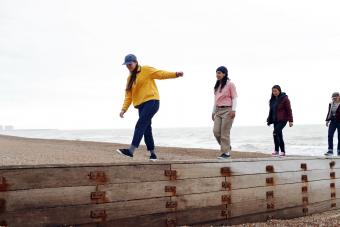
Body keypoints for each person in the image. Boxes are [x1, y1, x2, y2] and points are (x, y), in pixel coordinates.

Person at [117, 54, 183, 161]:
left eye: (130, 64)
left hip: (152, 101)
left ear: (136, 62)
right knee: (147, 129)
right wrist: (123, 109)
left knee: (140, 124)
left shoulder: (146, 70)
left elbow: (160, 74)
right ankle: (153, 154)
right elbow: (128, 96)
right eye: (127, 65)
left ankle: (131, 151)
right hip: (141, 105)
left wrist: (175, 74)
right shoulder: (129, 79)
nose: (128, 66)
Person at [212, 66, 238, 159]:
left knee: (224, 133)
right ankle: (227, 147)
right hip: (218, 111)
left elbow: (234, 98)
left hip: (228, 110)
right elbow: (215, 100)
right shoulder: (217, 86)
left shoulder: (230, 84)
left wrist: (233, 110)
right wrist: (213, 111)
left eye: (219, 73)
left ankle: (226, 153)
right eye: (216, 73)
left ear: (224, 73)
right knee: (216, 132)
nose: (217, 75)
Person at [266, 85, 293, 157]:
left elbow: (289, 110)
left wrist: (290, 121)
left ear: (279, 90)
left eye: (276, 91)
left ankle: (277, 150)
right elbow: (271, 111)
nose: (274, 92)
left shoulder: (285, 98)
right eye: (273, 91)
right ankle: (283, 151)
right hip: (275, 120)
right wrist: (269, 119)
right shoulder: (272, 100)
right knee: (279, 135)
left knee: (275, 132)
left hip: (283, 119)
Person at [324, 92, 340, 156]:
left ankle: (339, 151)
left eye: (335, 98)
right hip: (333, 121)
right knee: (330, 135)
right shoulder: (331, 103)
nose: (334, 99)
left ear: (339, 97)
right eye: (333, 98)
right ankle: (330, 151)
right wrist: (327, 120)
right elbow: (329, 112)